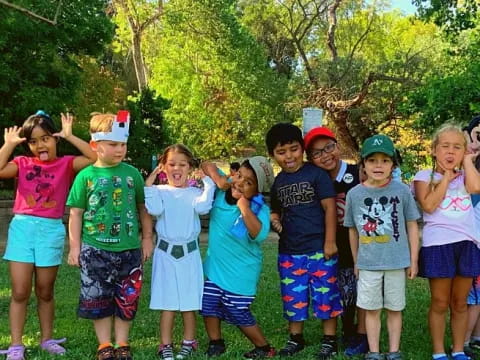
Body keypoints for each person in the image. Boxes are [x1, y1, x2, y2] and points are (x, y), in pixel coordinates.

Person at [0, 111, 96, 360]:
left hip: (51, 229)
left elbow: (94, 157)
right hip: (22, 229)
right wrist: (8, 145)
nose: (40, 145)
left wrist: (70, 136)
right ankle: (16, 345)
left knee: (44, 290)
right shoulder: (22, 163)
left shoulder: (66, 164)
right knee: (20, 291)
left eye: (45, 138)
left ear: (54, 139)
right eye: (33, 141)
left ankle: (46, 339)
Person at [66, 111, 154, 360]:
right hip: (94, 250)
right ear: (95, 145)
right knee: (98, 299)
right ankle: (105, 344)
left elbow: (142, 208)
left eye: (123, 144)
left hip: (129, 250)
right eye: (113, 144)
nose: (120, 149)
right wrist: (75, 247)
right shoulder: (85, 177)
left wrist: (147, 238)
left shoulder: (132, 174)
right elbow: (76, 214)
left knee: (127, 297)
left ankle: (123, 343)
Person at [265, 123, 342, 359]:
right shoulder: (278, 182)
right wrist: (275, 220)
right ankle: (295, 338)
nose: (289, 156)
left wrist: (330, 241)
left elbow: (329, 208)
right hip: (289, 252)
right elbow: (276, 211)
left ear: (302, 149)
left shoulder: (316, 174)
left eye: (293, 149)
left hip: (320, 249)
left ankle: (329, 340)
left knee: (325, 295)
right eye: (281, 152)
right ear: (272, 155)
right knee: (293, 297)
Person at [344, 134, 420, 360]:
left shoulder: (402, 191)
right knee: (372, 309)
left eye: (385, 160)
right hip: (368, 264)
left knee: (395, 308)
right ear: (363, 164)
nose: (378, 165)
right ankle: (374, 351)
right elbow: (352, 230)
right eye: (372, 160)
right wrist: (357, 261)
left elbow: (412, 226)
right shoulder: (354, 194)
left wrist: (413, 260)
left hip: (397, 261)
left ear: (393, 165)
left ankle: (394, 351)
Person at [413, 123, 480, 360]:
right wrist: (445, 179)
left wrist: (469, 163)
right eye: (445, 146)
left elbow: (475, 187)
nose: (450, 152)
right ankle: (439, 352)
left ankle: (459, 349)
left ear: (465, 151)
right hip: (439, 244)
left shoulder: (467, 175)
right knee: (440, 302)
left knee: (460, 302)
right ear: (434, 150)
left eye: (457, 147)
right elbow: (429, 204)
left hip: (467, 243)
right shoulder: (423, 176)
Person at [200, 156, 276, 360]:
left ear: (258, 191)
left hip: (241, 273)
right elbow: (206, 165)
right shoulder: (221, 190)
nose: (240, 183)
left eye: (249, 183)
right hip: (214, 268)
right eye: (239, 175)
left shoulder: (259, 209)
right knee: (208, 305)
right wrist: (218, 176)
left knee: (237, 311)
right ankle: (216, 342)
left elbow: (257, 234)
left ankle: (264, 347)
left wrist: (244, 208)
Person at [144, 144, 216, 360]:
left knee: (188, 302)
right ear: (163, 167)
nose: (177, 168)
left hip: (189, 254)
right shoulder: (159, 191)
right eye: (172, 164)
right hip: (165, 254)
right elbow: (154, 209)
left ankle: (188, 341)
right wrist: (149, 183)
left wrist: (208, 182)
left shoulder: (195, 193)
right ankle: (165, 344)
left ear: (190, 167)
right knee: (167, 303)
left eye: (182, 164)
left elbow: (203, 208)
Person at [303, 126, 368, 357]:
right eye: (317, 153)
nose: (325, 155)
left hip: (360, 245)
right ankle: (346, 330)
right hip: (329, 246)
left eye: (329, 147)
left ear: (337, 146)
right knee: (339, 289)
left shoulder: (357, 174)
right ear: (310, 159)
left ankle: (361, 335)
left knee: (361, 290)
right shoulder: (312, 180)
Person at [463, 115, 480, 357]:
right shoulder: (457, 164)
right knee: (470, 296)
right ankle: (463, 339)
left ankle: (475, 336)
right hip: (467, 239)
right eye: (477, 135)